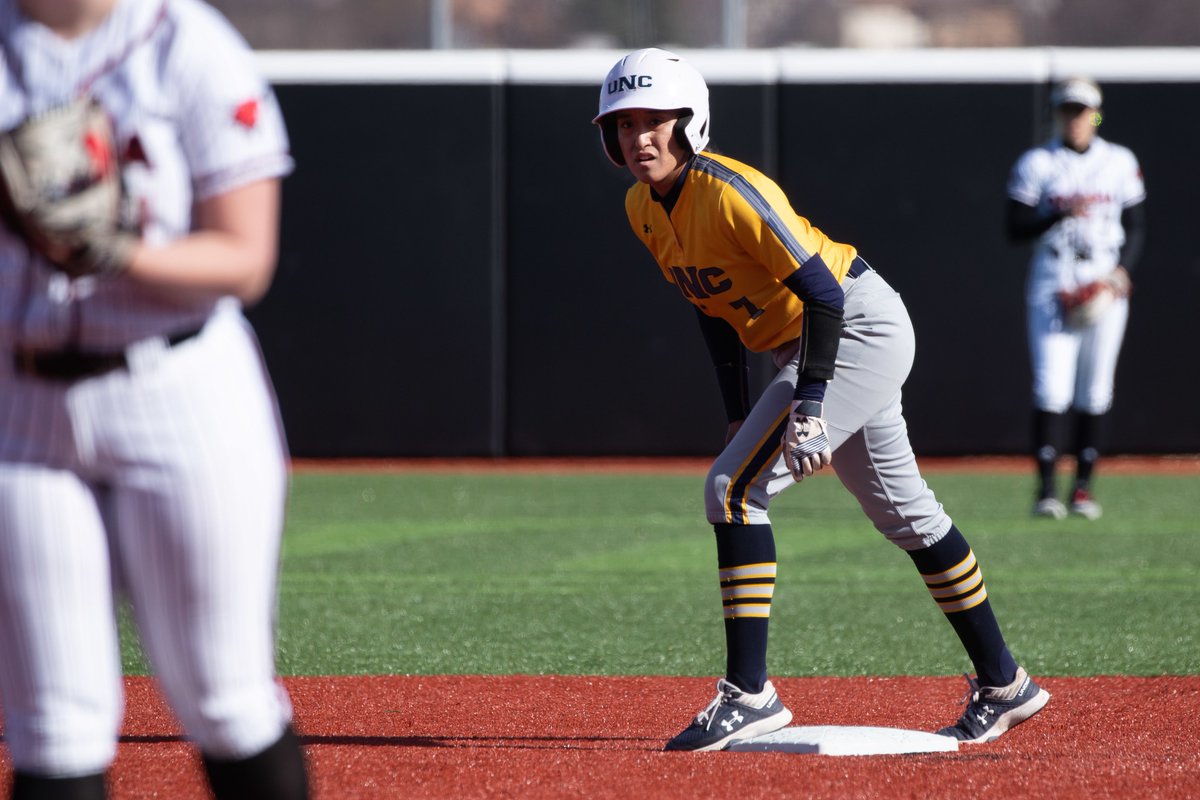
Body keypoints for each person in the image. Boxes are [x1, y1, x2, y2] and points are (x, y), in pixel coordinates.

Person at [592, 48, 1050, 752]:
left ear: (690, 123)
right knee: (908, 516)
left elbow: (824, 293)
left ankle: (749, 695)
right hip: (812, 343)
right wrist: (737, 409)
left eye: (654, 120)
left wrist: (809, 404)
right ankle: (1005, 684)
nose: (638, 138)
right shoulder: (640, 208)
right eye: (624, 125)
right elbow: (708, 306)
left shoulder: (730, 192)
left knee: (732, 490)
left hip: (852, 325)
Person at [0, 1, 309, 798]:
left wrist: (114, 252)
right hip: (19, 408)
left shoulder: (185, 46)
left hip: (178, 394)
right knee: (52, 727)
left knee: (225, 699)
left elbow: (246, 258)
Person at [1006, 77, 1145, 521]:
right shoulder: (1038, 162)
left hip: (1103, 279)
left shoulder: (1118, 161)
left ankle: (1083, 489)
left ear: (1096, 115)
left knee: (1096, 387)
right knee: (1051, 385)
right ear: (1056, 114)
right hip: (1053, 276)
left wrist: (1121, 274)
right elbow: (1015, 227)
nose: (1075, 119)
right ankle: (1047, 491)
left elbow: (1136, 226)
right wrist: (1058, 213)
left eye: (1082, 111)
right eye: (1067, 110)